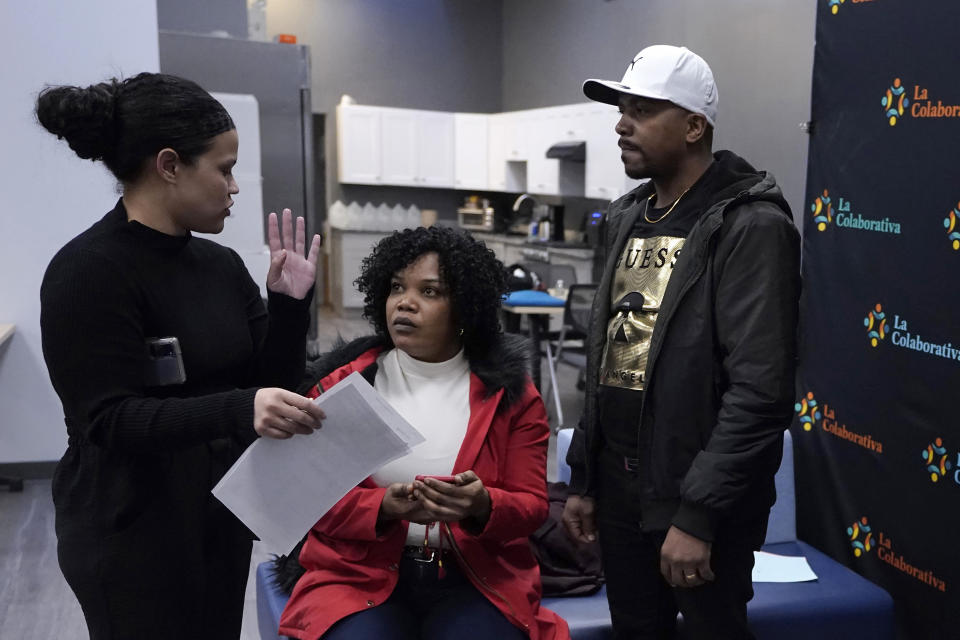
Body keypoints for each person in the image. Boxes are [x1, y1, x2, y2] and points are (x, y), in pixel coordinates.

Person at [37, 72, 325, 640]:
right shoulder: (88, 273)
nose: (234, 186)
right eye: (224, 168)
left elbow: (270, 387)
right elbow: (109, 419)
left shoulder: (222, 269)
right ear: (169, 165)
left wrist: (290, 308)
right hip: (129, 531)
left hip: (217, 516)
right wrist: (241, 408)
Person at [561, 45, 801, 639]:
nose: (621, 123)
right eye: (621, 109)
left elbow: (760, 393)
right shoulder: (625, 217)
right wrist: (585, 480)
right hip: (619, 492)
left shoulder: (751, 227)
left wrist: (698, 516)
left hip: (698, 503)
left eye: (642, 110)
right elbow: (609, 358)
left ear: (695, 126)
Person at [277, 226, 569, 640]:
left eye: (429, 292)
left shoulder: (512, 396)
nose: (405, 303)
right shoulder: (344, 387)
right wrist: (383, 507)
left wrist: (483, 504)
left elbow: (532, 506)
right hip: (357, 574)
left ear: (464, 308)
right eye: (397, 287)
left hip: (476, 577)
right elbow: (312, 499)